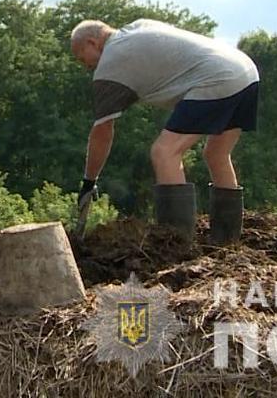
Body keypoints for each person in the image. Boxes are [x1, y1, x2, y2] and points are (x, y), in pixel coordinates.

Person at [70, 18, 260, 246]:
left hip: (217, 78)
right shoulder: (140, 25)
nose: (86, 66)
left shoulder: (110, 63)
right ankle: (228, 242)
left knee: (164, 153)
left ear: (92, 42)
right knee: (216, 154)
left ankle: (178, 247)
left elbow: (102, 132)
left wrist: (89, 182)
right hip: (245, 71)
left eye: (83, 58)